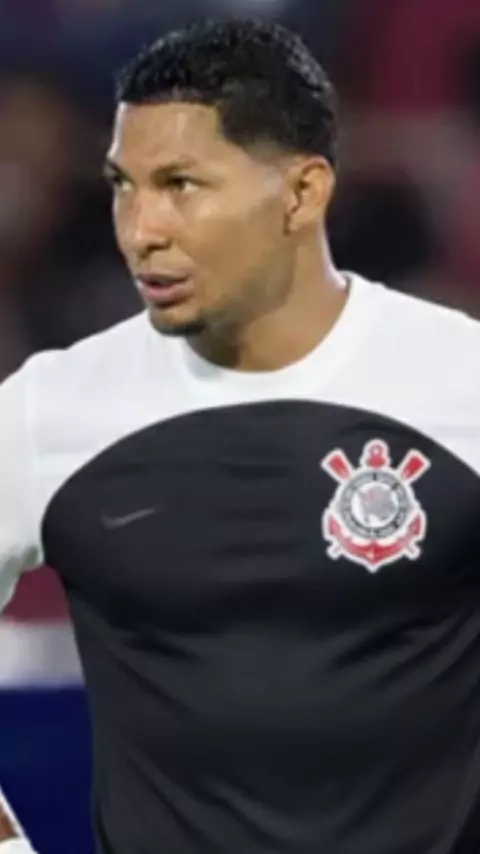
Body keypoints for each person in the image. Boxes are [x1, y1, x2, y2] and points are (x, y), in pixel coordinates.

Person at [1, 17, 480, 854]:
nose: (140, 230)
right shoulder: (51, 409)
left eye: (181, 184)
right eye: (123, 185)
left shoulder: (461, 382)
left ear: (303, 192)